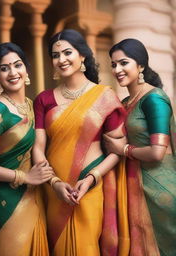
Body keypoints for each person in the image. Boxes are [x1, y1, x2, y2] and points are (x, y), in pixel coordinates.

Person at [33, 29, 130, 256]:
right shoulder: (44, 99)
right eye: (56, 55)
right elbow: (38, 147)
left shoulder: (104, 96)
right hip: (54, 189)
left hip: (90, 186)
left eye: (68, 52)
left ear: (83, 56)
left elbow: (117, 150)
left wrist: (91, 178)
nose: (62, 59)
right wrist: (54, 183)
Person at [0, 42, 53, 256]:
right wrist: (24, 177)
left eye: (17, 65)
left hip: (36, 197)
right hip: (7, 202)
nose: (12, 72)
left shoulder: (30, 104)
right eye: (4, 68)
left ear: (26, 68)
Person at [105, 38, 176, 255]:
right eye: (114, 65)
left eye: (124, 63)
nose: (117, 69)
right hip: (134, 185)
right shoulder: (126, 102)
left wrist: (123, 150)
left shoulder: (154, 99)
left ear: (141, 65)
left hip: (160, 190)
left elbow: (157, 152)